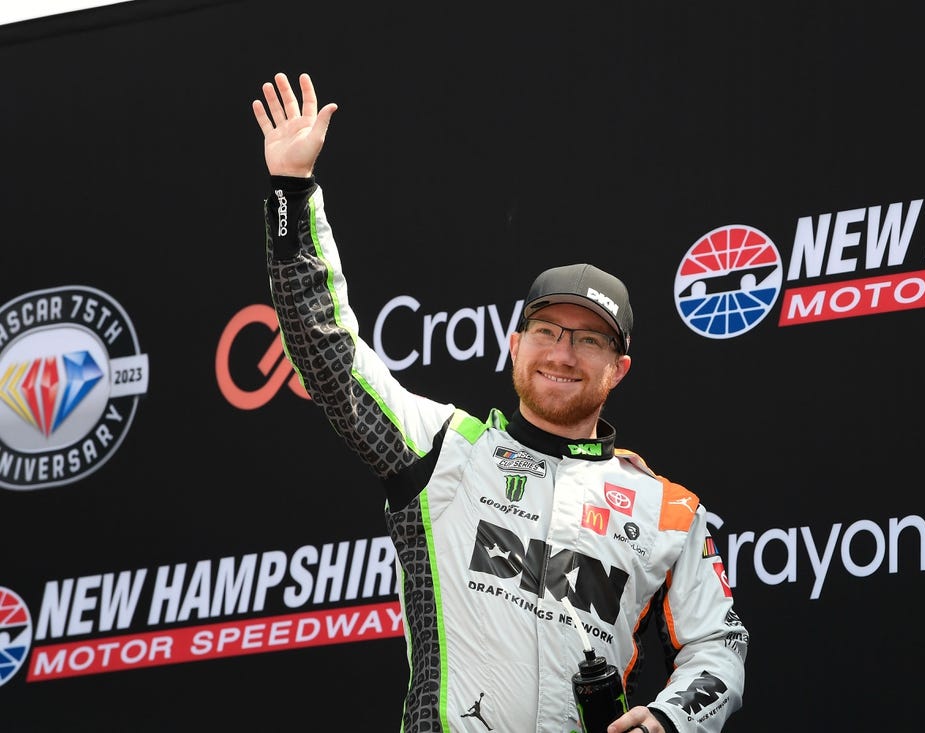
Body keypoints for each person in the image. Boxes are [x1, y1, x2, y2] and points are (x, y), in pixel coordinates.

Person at [252, 71, 748, 733]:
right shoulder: (443, 449)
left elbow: (720, 645)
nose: (563, 353)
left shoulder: (670, 510)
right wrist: (292, 190)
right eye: (546, 331)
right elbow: (326, 355)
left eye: (589, 341)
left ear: (619, 367)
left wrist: (667, 717)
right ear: (515, 347)